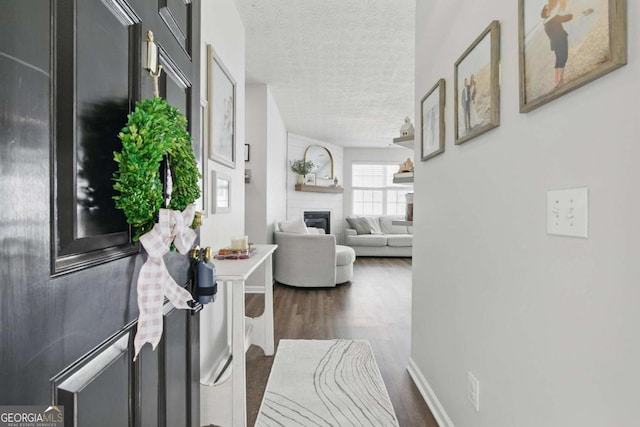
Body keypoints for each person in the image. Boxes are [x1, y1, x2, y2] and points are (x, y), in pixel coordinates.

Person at [541, 1, 573, 88]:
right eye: (548, 7)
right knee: (563, 58)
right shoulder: (553, 18)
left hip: (554, 43)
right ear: (546, 11)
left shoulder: (545, 22)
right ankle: (560, 81)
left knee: (558, 59)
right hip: (560, 40)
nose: (550, 6)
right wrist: (571, 13)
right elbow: (568, 17)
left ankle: (556, 81)